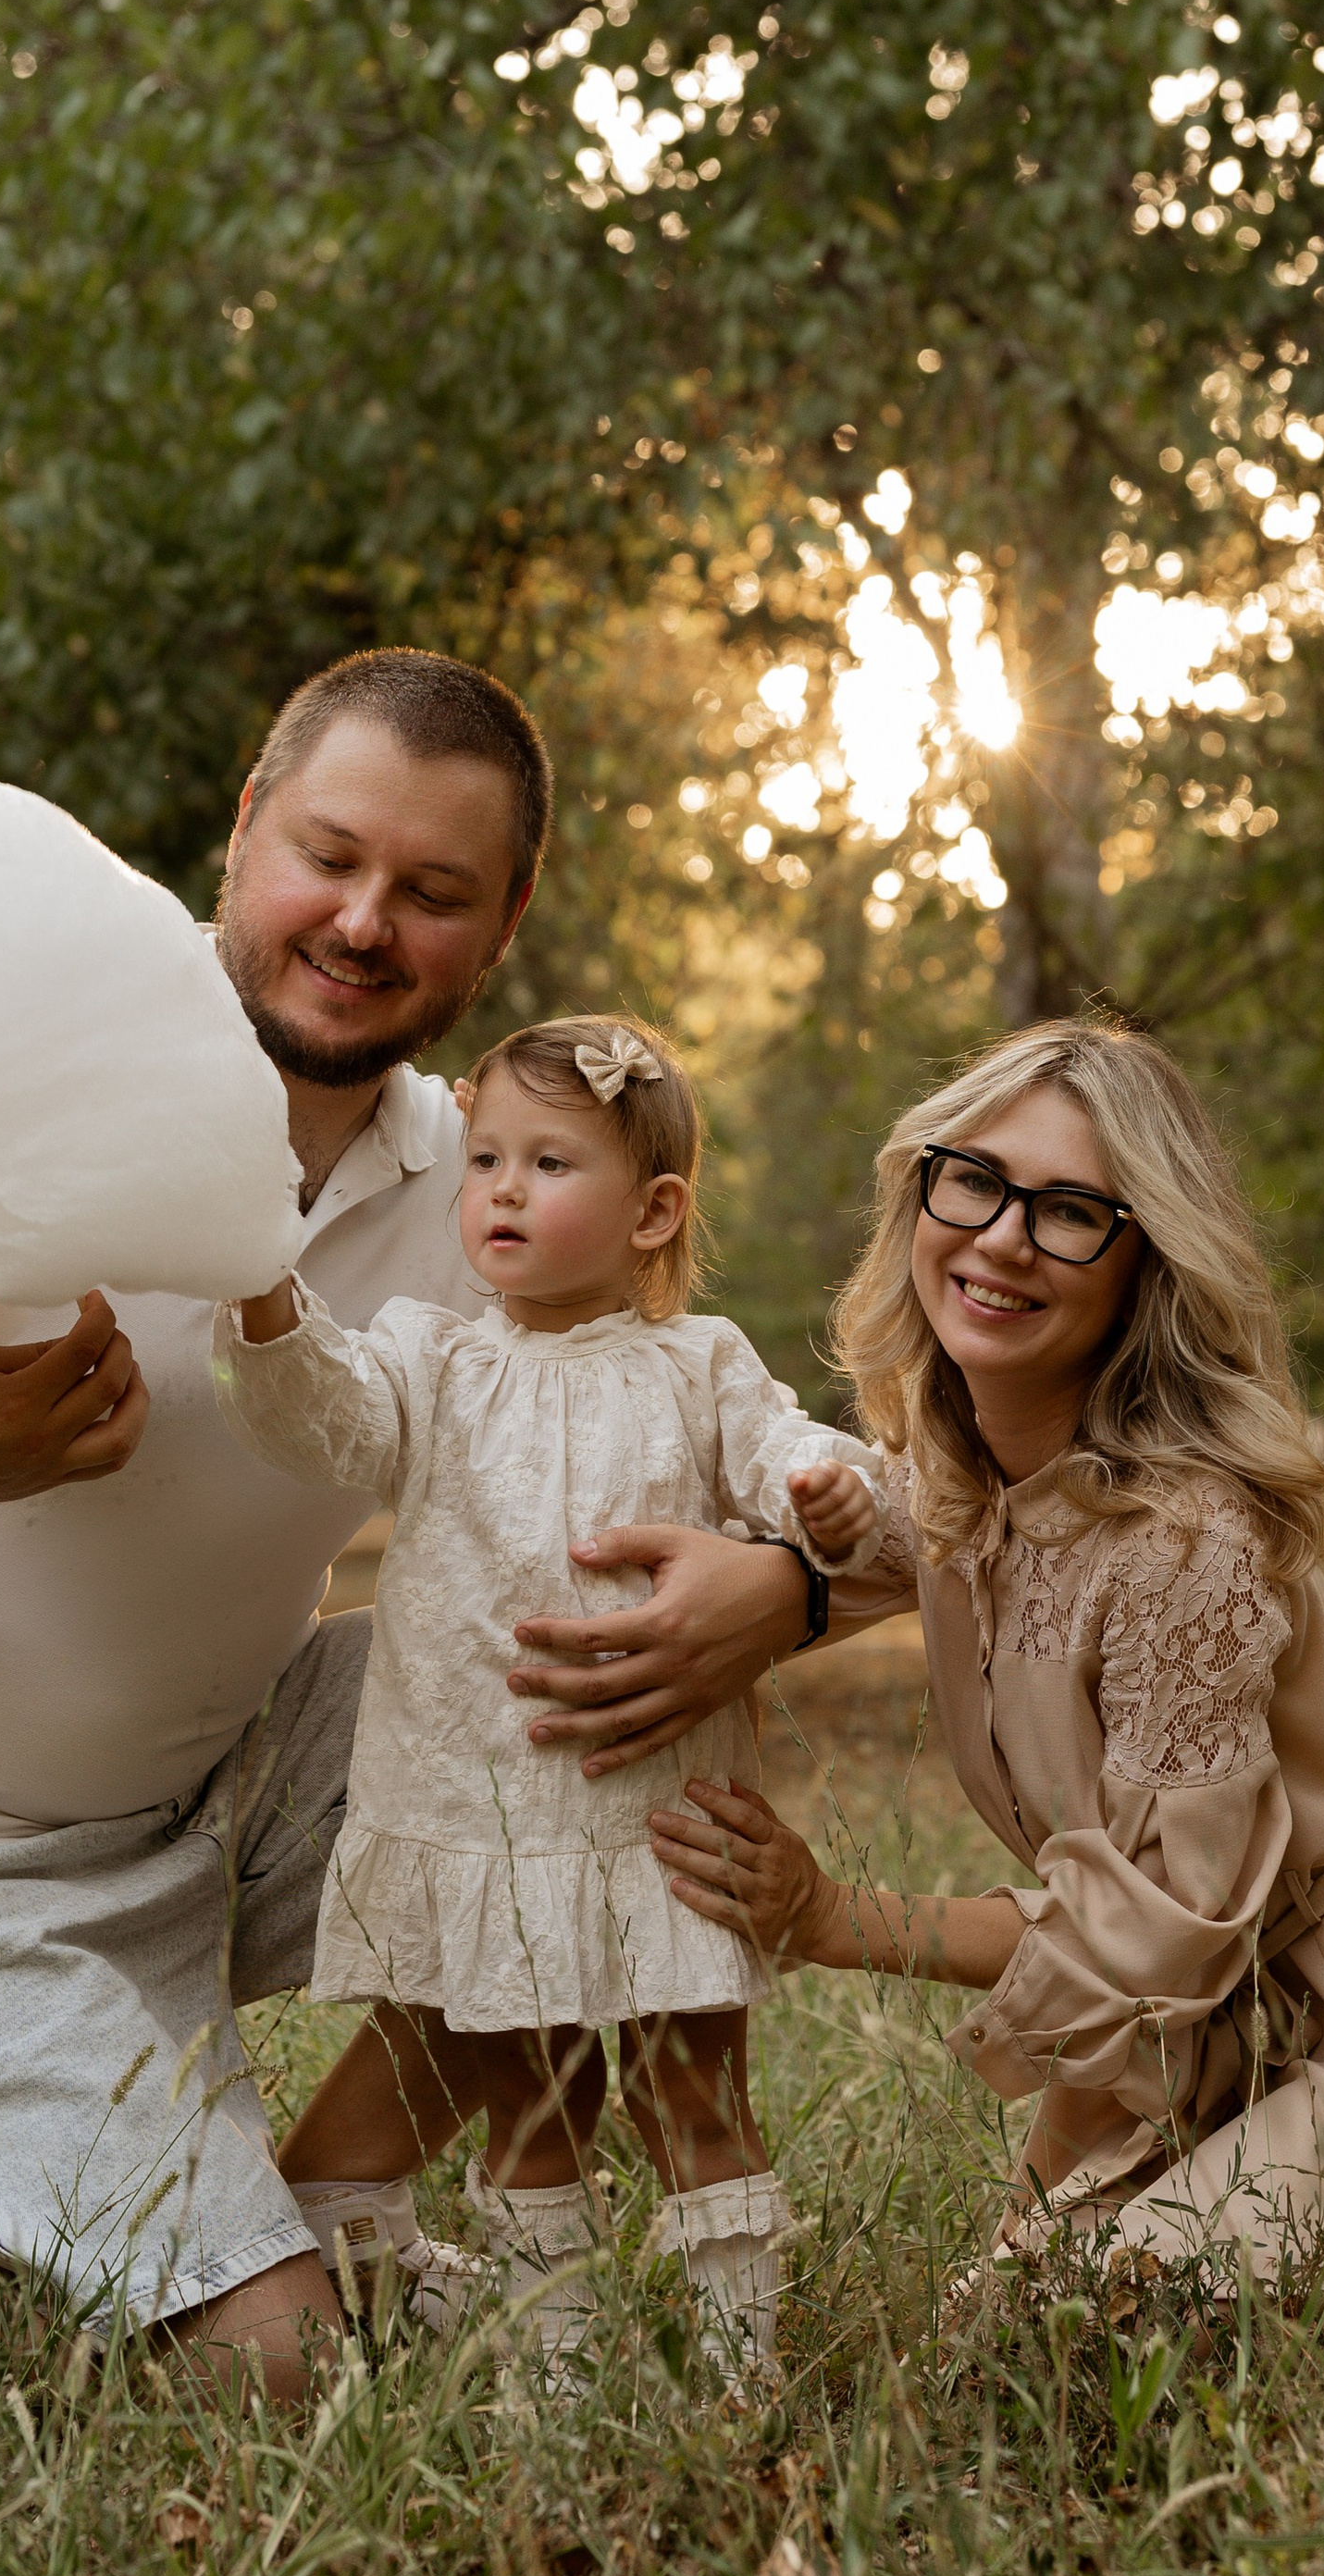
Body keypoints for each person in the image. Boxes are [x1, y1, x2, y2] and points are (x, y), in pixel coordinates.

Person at [0, 654, 832, 2413]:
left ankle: (339, 2196)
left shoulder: (489, 1190)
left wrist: (772, 1593)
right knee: (261, 2377)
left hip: (207, 1804)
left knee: (615, 1690)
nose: (360, 921)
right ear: (245, 831)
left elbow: (757, 1479)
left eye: (431, 892)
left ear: (503, 926)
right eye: (328, 855)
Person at [649, 1020, 1324, 2277]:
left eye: (1073, 1211)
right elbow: (857, 1545)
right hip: (1211, 2036)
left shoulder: (1189, 1541)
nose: (1004, 1235)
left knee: (1117, 2321)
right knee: (1028, 2325)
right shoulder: (964, 1482)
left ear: (1145, 1265)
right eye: (976, 1179)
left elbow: (1153, 1941)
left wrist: (829, 1913)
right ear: (922, 1196)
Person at [217, 1015, 882, 2380]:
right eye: (486, 1160)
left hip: (663, 1818)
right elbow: (328, 1419)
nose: (504, 1190)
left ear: (654, 1213)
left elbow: (783, 1455)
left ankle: (737, 2363)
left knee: (695, 2089)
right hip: (491, 1818)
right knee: (533, 2100)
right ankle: (560, 2379)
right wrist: (272, 1307)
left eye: (550, 1163)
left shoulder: (699, 1364)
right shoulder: (434, 1359)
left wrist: (825, 1488)